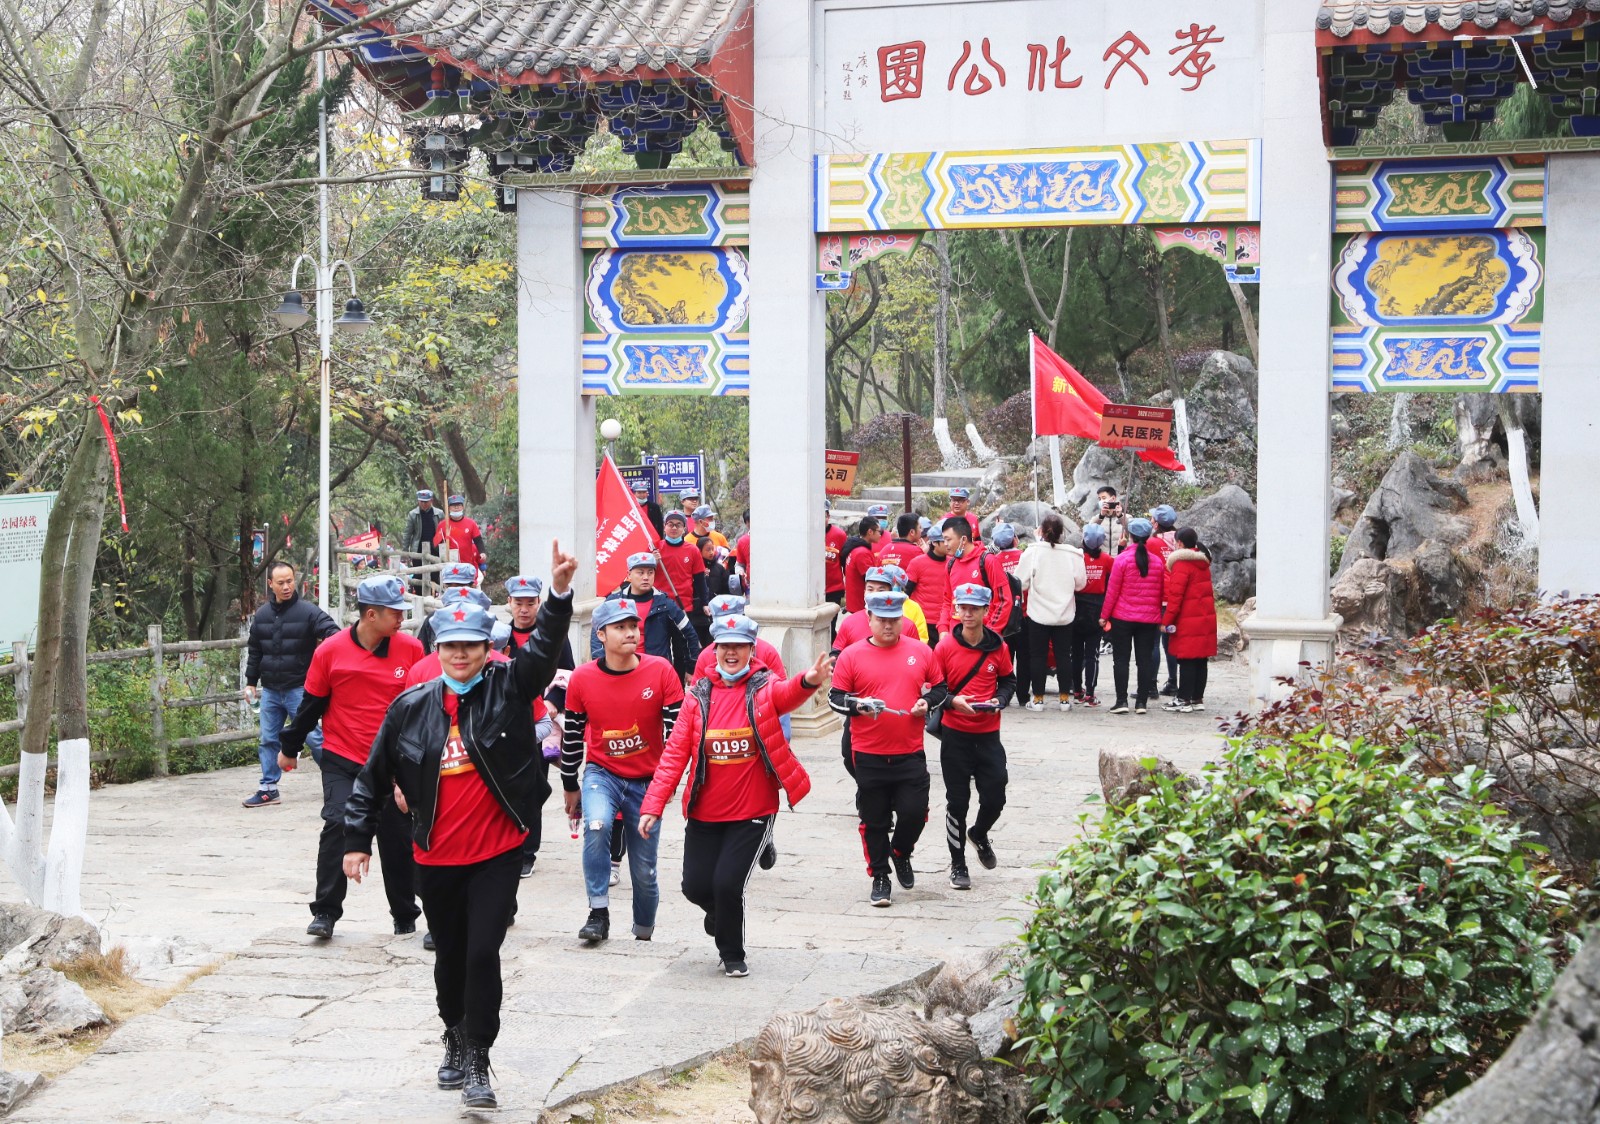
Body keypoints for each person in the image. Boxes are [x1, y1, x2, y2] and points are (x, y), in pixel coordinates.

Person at [341, 545, 573, 1111]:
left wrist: (559, 597)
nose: (463, 655)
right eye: (452, 647)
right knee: (448, 957)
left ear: (487, 648)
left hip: (496, 851)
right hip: (436, 856)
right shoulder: (411, 706)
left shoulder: (508, 687)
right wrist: (355, 840)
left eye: (473, 645)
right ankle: (452, 1031)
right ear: (438, 650)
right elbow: (373, 775)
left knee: (481, 953)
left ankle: (479, 1056)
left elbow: (541, 654)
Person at [639, 615, 830, 977]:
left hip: (753, 810)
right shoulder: (697, 696)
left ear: (750, 650)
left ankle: (732, 954)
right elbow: (675, 754)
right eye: (723, 646)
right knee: (695, 886)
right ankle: (721, 913)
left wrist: (809, 681)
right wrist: (653, 806)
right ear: (713, 651)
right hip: (704, 812)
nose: (730, 653)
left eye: (738, 646)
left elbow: (786, 694)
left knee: (728, 883)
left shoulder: (762, 686)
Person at [281, 574, 423, 940]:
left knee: (397, 838)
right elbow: (311, 706)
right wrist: (288, 747)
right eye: (396, 612)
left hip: (392, 767)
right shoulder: (330, 651)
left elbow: (422, 711)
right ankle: (325, 913)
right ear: (371, 614)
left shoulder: (410, 650)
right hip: (344, 759)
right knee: (337, 825)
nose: (402, 619)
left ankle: (405, 915)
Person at [562, 598, 684, 943]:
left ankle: (643, 932)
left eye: (633, 626)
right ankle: (598, 913)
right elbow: (572, 736)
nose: (630, 633)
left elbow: (676, 735)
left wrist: (667, 783)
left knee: (644, 870)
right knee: (597, 826)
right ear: (601, 634)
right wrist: (570, 784)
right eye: (620, 627)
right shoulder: (583, 678)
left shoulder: (661, 670)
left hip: (648, 780)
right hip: (602, 773)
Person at [828, 590, 947, 907]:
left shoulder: (920, 652)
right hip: (868, 752)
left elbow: (940, 688)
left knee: (915, 812)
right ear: (869, 619)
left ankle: (901, 852)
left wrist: (928, 702)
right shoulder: (852, 655)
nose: (888, 626)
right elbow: (835, 698)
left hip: (910, 749)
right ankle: (880, 876)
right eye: (881, 620)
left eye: (894, 620)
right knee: (875, 819)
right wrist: (858, 706)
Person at [933, 583, 1015, 889]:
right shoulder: (944, 647)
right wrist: (953, 701)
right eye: (962, 608)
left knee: (996, 794)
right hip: (955, 734)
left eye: (973, 608)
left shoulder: (998, 647)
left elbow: (1008, 679)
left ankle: (979, 833)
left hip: (989, 734)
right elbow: (934, 688)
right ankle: (957, 864)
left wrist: (1001, 700)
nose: (967, 614)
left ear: (985, 611)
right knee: (958, 801)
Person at [242, 560, 338, 808]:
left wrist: (326, 658)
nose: (286, 587)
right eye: (281, 582)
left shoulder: (308, 612)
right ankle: (268, 788)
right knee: (268, 739)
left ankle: (338, 781)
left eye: (290, 581)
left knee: (315, 739)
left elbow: (333, 633)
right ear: (270, 584)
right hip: (271, 691)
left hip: (300, 690)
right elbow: (255, 651)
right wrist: (251, 683)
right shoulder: (261, 616)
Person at [1013, 515, 1085, 712]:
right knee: (1064, 656)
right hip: (1065, 613)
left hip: (1038, 613)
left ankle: (1037, 699)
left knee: (1037, 656)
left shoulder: (1033, 553)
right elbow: (1081, 584)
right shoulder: (1074, 554)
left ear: (1041, 532)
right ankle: (1064, 699)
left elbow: (1020, 582)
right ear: (1062, 533)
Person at [592, 551, 700, 680]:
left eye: (650, 572)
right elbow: (596, 634)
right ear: (629, 575)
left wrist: (691, 667)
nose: (646, 577)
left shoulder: (665, 604)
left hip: (654, 672)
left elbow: (689, 634)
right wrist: (600, 663)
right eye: (640, 572)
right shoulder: (613, 602)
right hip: (619, 671)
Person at [1100, 518, 1167, 716]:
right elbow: (1161, 591)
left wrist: (1104, 616)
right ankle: (1142, 703)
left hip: (1123, 617)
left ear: (1130, 536)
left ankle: (1121, 701)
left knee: (1121, 660)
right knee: (1144, 660)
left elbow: (1112, 591)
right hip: (1148, 619)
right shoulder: (1157, 562)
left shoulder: (1121, 560)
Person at [1161, 528, 1217, 714]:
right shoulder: (1203, 563)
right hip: (1204, 618)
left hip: (1187, 619)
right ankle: (1197, 698)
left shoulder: (1181, 565)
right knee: (1201, 659)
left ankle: (1183, 699)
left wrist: (1166, 620)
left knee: (1186, 660)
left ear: (1180, 543)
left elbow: (1175, 597)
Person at [941, 518, 1013, 640]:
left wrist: (990, 632)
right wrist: (943, 628)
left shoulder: (987, 561)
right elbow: (947, 600)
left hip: (983, 635)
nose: (945, 544)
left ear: (963, 539)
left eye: (948, 539)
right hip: (955, 636)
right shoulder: (951, 564)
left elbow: (1003, 600)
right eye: (944, 539)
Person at [831, 566, 928, 653]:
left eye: (881, 590)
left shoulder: (908, 625)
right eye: (870, 589)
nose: (874, 594)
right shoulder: (849, 622)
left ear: (890, 593)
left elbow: (917, 655)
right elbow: (836, 655)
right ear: (864, 592)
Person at [1069, 525, 1112, 707]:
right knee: (1092, 655)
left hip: (1076, 608)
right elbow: (1110, 586)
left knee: (1076, 653)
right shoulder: (1108, 560)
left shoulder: (1075, 558)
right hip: (1097, 610)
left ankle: (1077, 690)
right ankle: (1091, 694)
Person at [987, 524, 1027, 705]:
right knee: (1025, 656)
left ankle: (1005, 694)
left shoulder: (992, 561)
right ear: (1015, 540)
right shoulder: (1024, 557)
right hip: (1024, 615)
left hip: (1003, 616)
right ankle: (1024, 696)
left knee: (1005, 656)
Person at [1147, 504, 1181, 696]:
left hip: (1158, 598)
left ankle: (1151, 684)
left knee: (1153, 642)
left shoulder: (1152, 543)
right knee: (1171, 642)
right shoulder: (1180, 540)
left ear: (1157, 523)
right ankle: (1173, 682)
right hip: (1176, 598)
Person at [655, 510, 709, 629]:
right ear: (664, 527)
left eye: (678, 525)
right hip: (658, 604)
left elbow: (700, 579)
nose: (674, 528)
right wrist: (653, 561)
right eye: (670, 524)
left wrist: (705, 603)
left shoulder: (692, 550)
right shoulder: (655, 549)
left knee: (683, 645)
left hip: (683, 605)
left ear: (684, 528)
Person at [418, 562, 481, 654]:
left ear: (473, 587)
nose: (454, 592)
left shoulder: (482, 619)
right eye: (449, 587)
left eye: (460, 587)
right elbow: (423, 653)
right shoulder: (433, 619)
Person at [905, 532, 950, 646]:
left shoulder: (952, 563)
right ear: (934, 542)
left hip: (946, 622)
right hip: (923, 622)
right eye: (945, 541)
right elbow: (906, 592)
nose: (948, 544)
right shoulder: (917, 563)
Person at [433, 494, 486, 579]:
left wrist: (482, 552)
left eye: (459, 505)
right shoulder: (442, 525)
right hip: (450, 565)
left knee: (467, 588)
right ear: (449, 508)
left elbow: (478, 540)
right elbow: (435, 544)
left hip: (467, 563)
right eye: (454, 506)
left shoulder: (471, 523)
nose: (456, 508)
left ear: (462, 507)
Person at [841, 517, 883, 613]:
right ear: (870, 532)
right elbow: (872, 579)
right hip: (860, 605)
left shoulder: (856, 547)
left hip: (854, 602)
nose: (880, 534)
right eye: (878, 531)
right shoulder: (862, 553)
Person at [403, 489, 442, 587]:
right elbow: (408, 533)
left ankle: (432, 597)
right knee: (418, 574)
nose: (424, 504)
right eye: (421, 502)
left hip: (435, 549)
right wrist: (405, 551)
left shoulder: (439, 513)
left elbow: (444, 532)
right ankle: (419, 597)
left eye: (426, 502)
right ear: (418, 501)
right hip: (418, 549)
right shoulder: (413, 514)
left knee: (435, 574)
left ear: (431, 501)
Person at [1088, 486, 1130, 555]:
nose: (1101, 501)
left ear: (1113, 498)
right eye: (1099, 499)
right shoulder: (1097, 518)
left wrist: (1120, 516)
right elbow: (1088, 534)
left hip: (1120, 559)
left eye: (1104, 498)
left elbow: (1132, 532)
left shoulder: (1126, 517)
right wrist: (1101, 516)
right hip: (1103, 560)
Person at [824, 503, 847, 617]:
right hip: (812, 590)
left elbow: (845, 563)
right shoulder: (807, 534)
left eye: (823, 514)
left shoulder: (839, 535)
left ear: (828, 516)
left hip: (833, 589)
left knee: (831, 626)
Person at [700, 535, 734, 602]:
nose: (711, 552)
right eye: (708, 550)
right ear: (699, 551)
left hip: (718, 604)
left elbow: (727, 589)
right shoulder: (696, 568)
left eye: (712, 549)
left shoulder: (719, 568)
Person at [733, 510, 752, 596]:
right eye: (750, 521)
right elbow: (740, 564)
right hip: (751, 586)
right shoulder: (742, 541)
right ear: (747, 523)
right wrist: (740, 572)